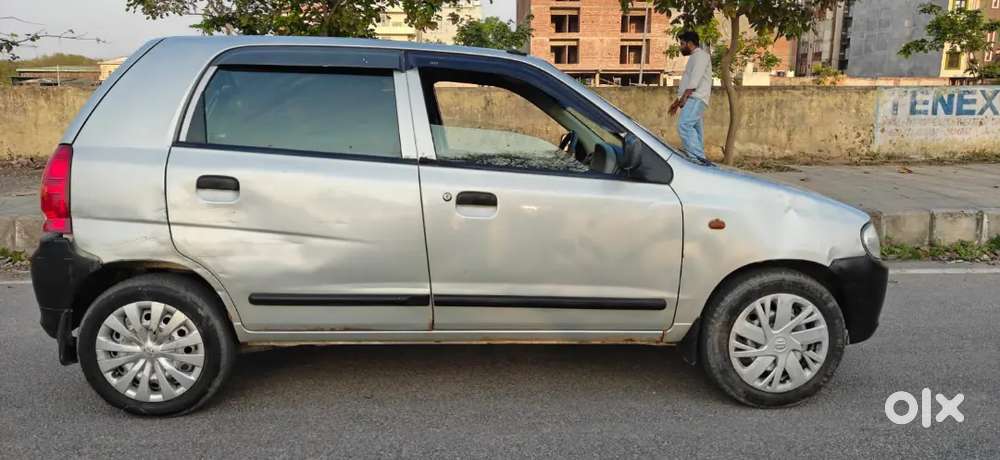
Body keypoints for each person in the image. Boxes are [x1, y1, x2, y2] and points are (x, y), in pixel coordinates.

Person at [668, 30, 713, 162]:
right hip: (692, 98)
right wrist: (676, 103)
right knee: (695, 131)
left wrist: (683, 99)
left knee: (685, 126)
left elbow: (694, 81)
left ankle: (698, 160)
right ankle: (700, 161)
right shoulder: (695, 57)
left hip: (696, 98)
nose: (681, 47)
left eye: (682, 44)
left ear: (690, 43)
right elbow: (687, 83)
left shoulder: (701, 56)